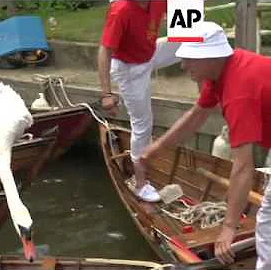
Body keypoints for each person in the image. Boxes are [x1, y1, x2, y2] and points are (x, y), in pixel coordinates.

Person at [140, 21, 271, 269]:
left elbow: (243, 167)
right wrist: (155, 149)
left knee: (268, 222)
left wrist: (229, 227)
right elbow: (196, 116)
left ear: (211, 58)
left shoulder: (238, 92)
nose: (183, 65)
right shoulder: (224, 69)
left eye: (190, 58)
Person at [98, 0, 181, 202]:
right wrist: (106, 94)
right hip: (129, 69)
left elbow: (185, 5)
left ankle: (207, 84)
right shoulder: (121, 11)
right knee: (143, 124)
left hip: (150, 53)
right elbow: (105, 51)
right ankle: (140, 183)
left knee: (194, 38)